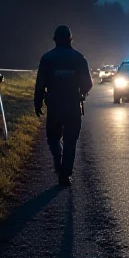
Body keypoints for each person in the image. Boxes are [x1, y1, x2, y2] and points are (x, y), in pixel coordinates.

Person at [34, 25, 93, 187]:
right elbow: (88, 83)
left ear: (55, 39)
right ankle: (65, 174)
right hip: (73, 104)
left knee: (53, 137)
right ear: (70, 39)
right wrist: (81, 92)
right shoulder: (80, 58)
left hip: (54, 105)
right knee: (70, 140)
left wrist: (37, 102)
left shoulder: (47, 58)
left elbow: (40, 84)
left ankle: (57, 155)